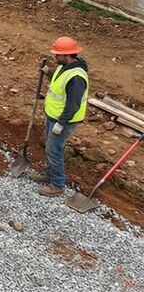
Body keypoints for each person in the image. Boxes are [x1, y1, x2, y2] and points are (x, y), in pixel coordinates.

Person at [35, 36, 89, 197]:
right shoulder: (64, 67)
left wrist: (61, 123)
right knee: (50, 147)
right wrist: (48, 72)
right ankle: (50, 175)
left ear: (67, 55)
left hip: (63, 120)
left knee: (54, 150)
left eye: (58, 55)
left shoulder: (77, 78)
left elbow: (73, 104)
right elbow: (58, 80)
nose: (55, 57)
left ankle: (57, 185)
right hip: (52, 115)